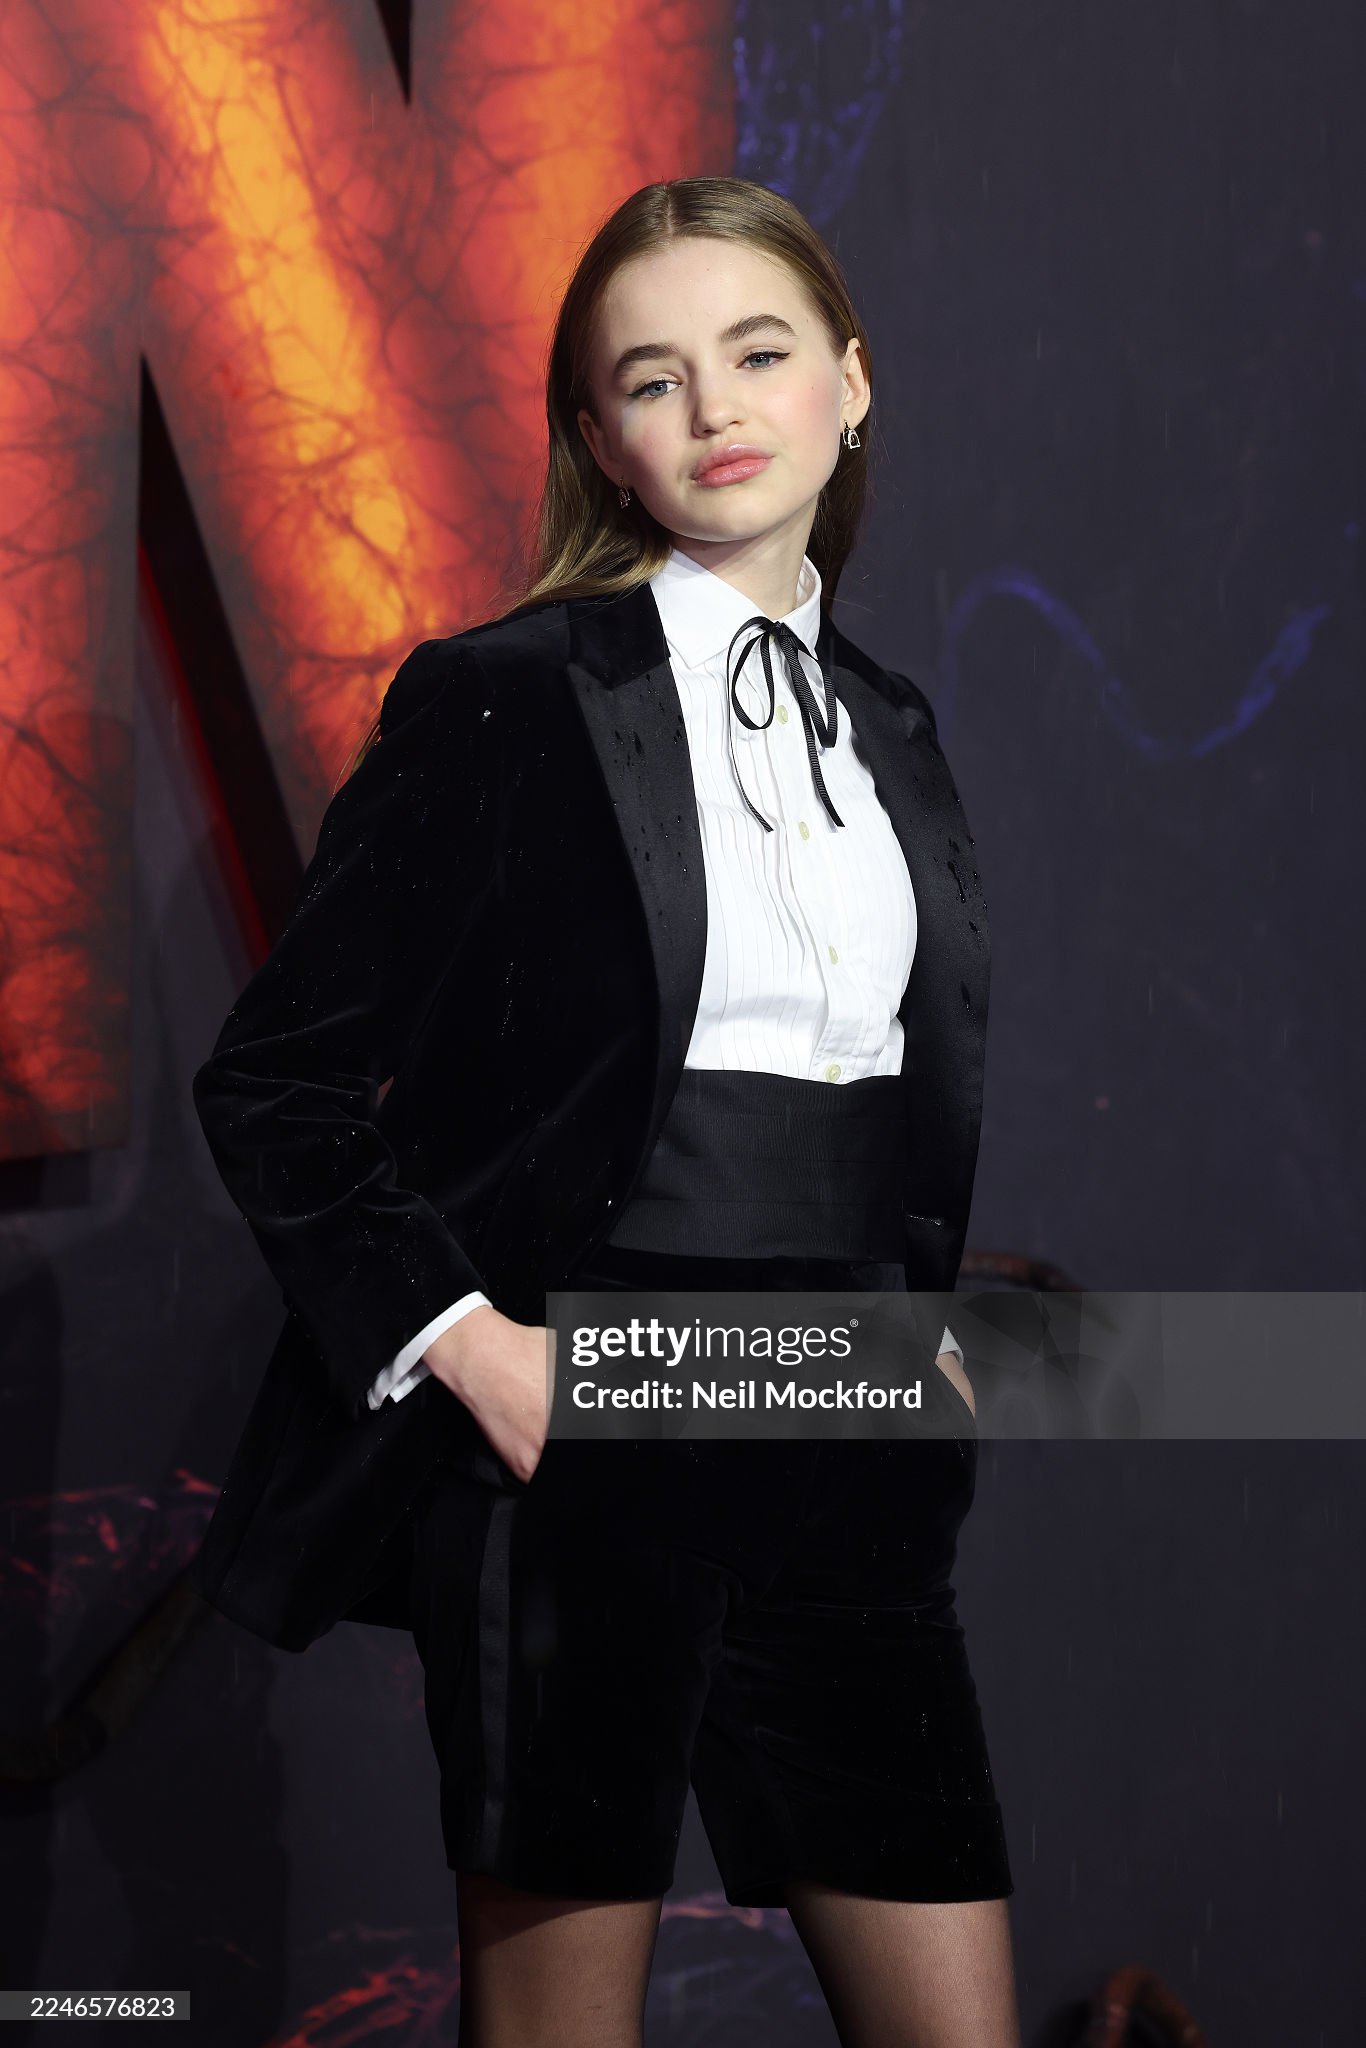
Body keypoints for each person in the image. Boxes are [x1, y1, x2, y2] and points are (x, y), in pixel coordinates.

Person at [192, 175, 1022, 2048]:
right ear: (596, 437)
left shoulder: (892, 725)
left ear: (849, 385)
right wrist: (470, 1347)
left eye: (759, 352)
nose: (715, 407)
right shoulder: (502, 700)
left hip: (840, 1435)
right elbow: (276, 1079)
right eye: (653, 378)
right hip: (583, 1440)